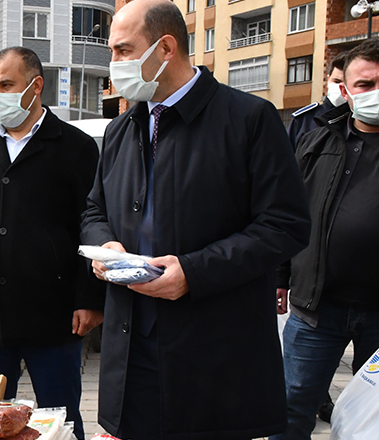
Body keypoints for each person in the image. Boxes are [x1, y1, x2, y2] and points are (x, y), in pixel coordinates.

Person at [81, 1, 311, 438]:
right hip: (132, 344)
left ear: (165, 48)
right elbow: (95, 209)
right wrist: (106, 245)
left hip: (213, 351)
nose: (114, 65)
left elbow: (285, 224)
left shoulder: (248, 119)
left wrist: (193, 271)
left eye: (123, 51)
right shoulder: (121, 128)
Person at [0, 47, 103, 440]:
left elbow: (92, 225)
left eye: (6, 85)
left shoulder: (75, 147)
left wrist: (91, 298)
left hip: (54, 315)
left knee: (60, 420)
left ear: (35, 86)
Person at [272, 39, 379, 440]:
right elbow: (286, 215)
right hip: (317, 308)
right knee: (291, 406)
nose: (374, 93)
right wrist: (279, 277)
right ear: (346, 91)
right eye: (365, 85)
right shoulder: (316, 143)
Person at [287, 51, 348, 150]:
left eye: (346, 83)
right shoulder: (304, 119)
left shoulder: (362, 121)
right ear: (328, 80)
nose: (340, 87)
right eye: (336, 81)